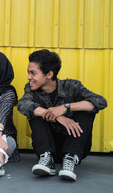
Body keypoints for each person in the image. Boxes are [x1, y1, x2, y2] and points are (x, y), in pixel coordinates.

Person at [17, 49, 107, 181]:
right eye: (28, 73)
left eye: (33, 73)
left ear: (49, 74)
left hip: (74, 146)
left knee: (87, 109)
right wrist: (57, 116)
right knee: (35, 111)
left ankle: (70, 158)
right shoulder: (31, 89)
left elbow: (101, 101)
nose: (29, 77)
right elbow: (22, 104)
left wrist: (66, 107)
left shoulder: (72, 86)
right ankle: (46, 159)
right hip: (47, 146)